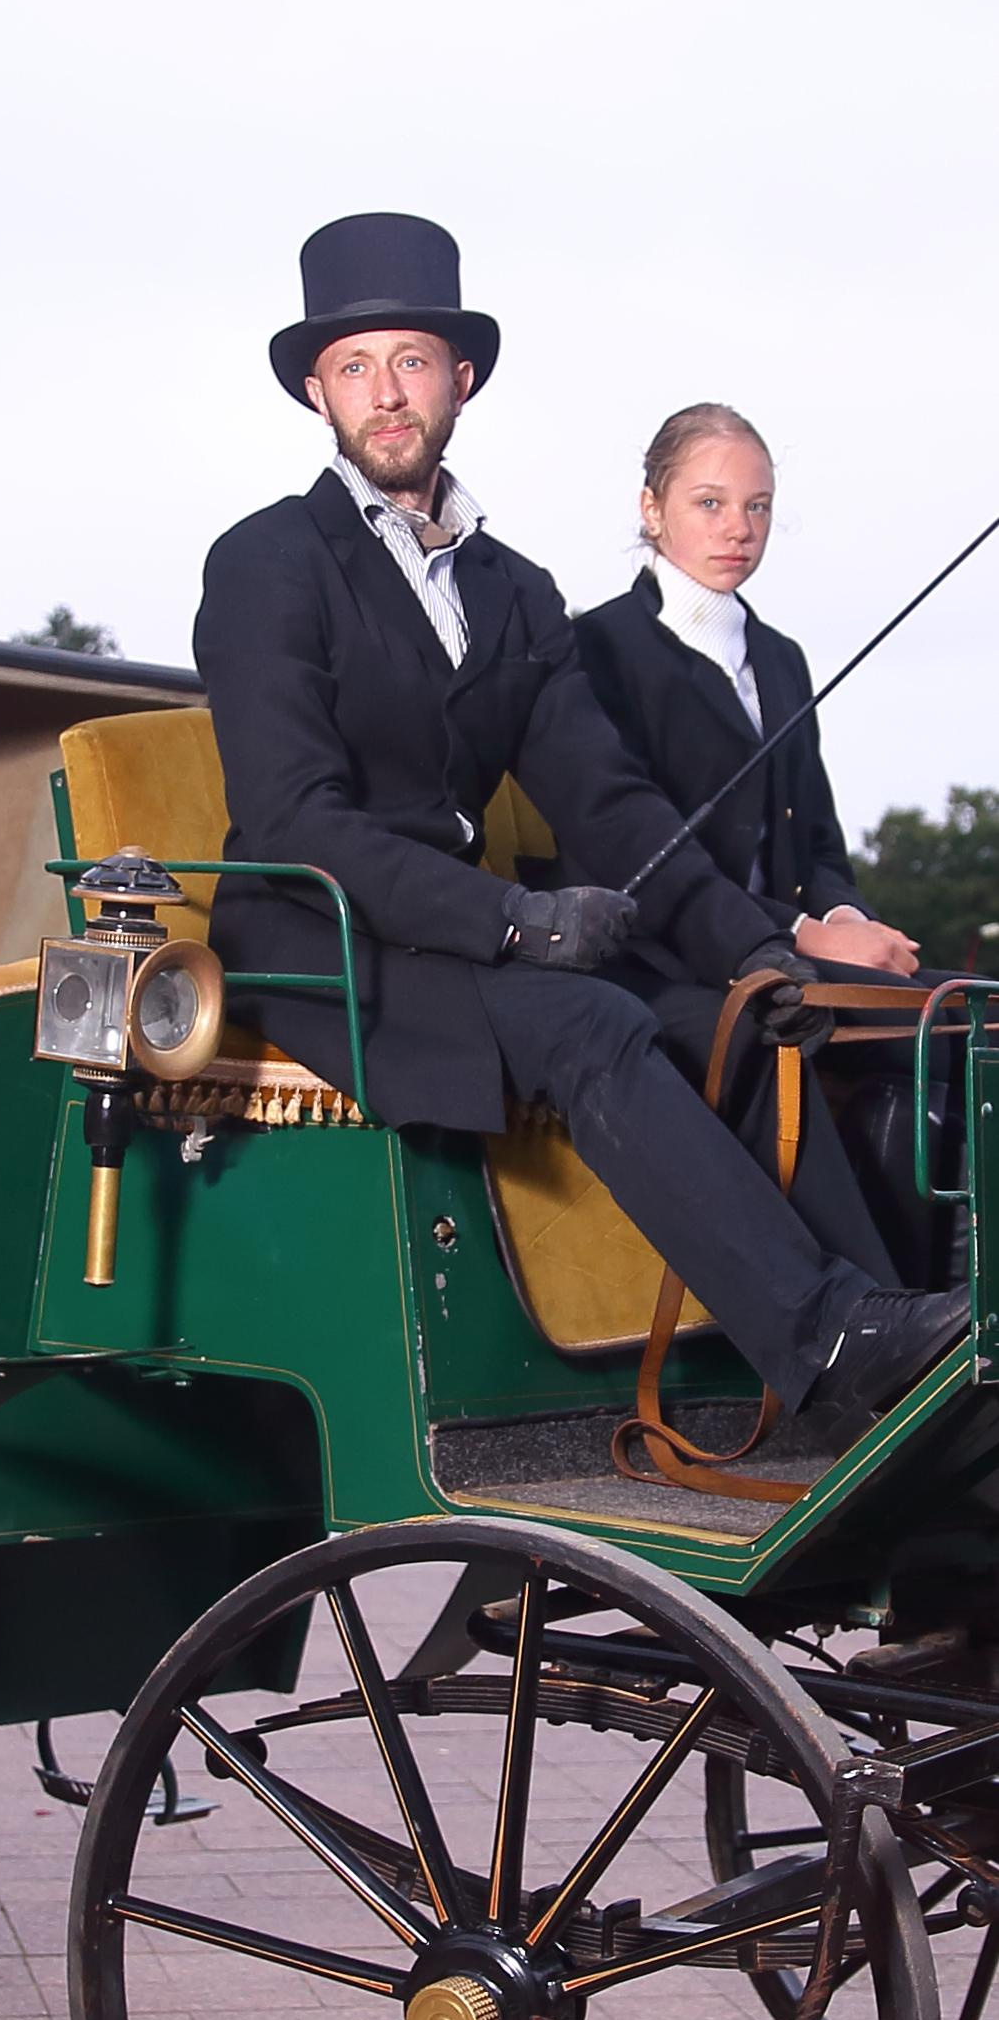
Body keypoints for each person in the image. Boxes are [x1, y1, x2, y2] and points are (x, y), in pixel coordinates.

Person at [194, 213, 966, 1445]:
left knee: (740, 1021)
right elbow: (299, 819)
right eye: (355, 368)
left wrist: (762, 955)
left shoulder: (515, 591)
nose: (385, 395)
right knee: (591, 1016)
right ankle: (822, 1334)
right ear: (314, 390)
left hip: (454, 943)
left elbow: (610, 802)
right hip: (321, 942)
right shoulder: (267, 563)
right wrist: (512, 918)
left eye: (410, 362)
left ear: (462, 379)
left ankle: (905, 1347)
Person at [575, 403, 941, 1279]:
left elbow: (816, 841)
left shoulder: (781, 659)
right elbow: (642, 848)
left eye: (759, 506)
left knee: (960, 1021)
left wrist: (852, 917)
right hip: (667, 955)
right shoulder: (600, 649)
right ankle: (881, 1319)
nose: (738, 529)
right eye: (710, 503)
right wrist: (810, 936)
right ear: (651, 508)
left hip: (798, 946)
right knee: (796, 1038)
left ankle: (953, 1303)